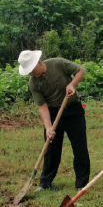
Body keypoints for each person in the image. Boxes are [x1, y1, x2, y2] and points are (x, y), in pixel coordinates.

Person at [18, 50, 90, 191]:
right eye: (29, 72)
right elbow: (42, 106)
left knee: (79, 147)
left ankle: (82, 184)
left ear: (39, 63)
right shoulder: (34, 83)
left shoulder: (58, 63)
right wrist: (48, 127)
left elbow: (81, 70)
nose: (32, 74)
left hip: (73, 110)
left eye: (33, 70)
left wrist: (72, 85)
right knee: (51, 148)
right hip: (53, 112)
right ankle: (45, 183)